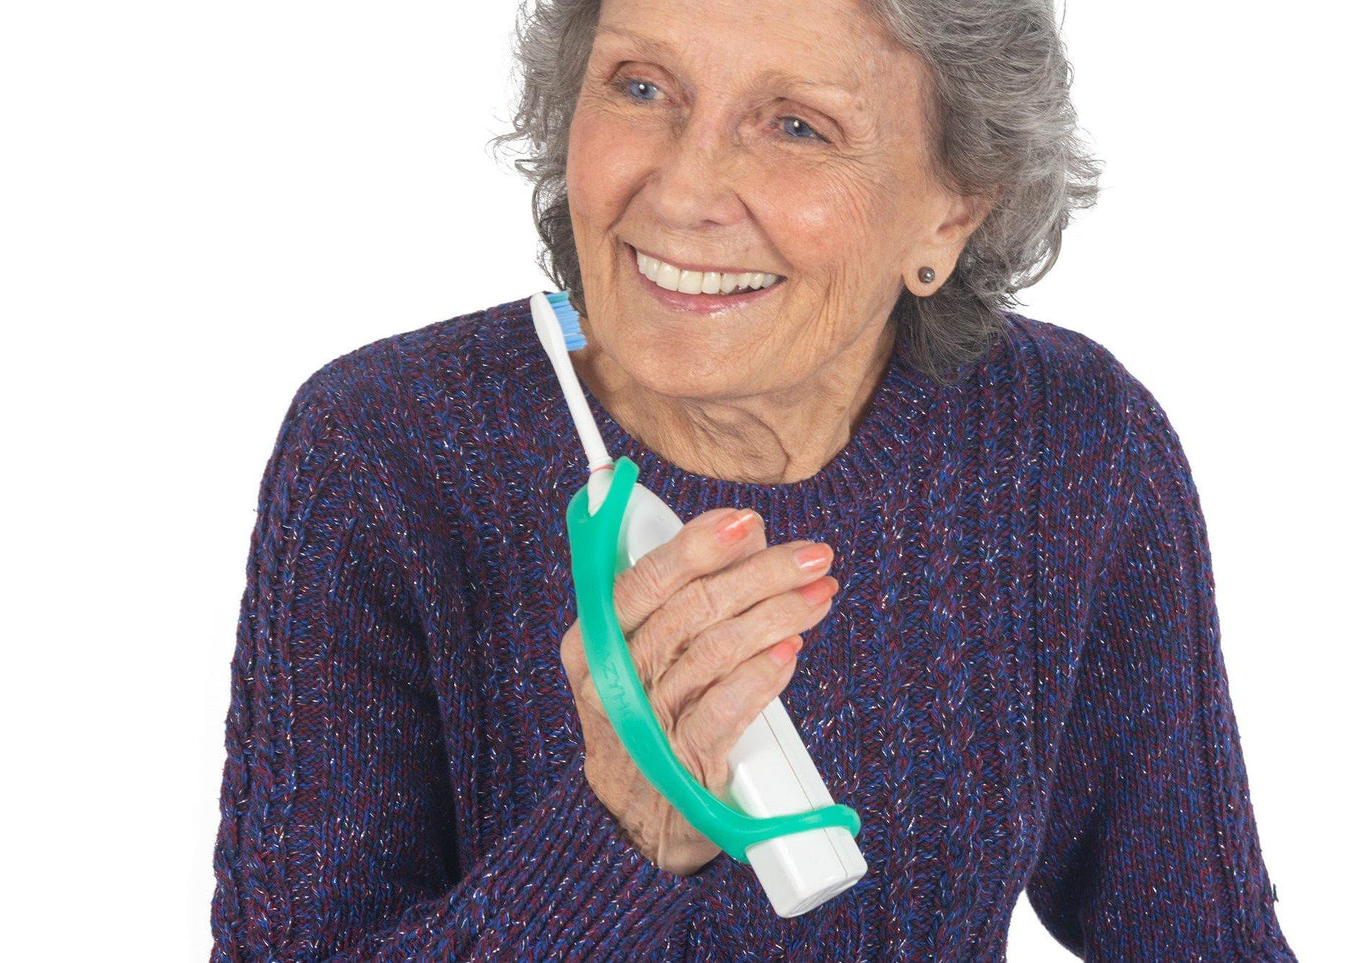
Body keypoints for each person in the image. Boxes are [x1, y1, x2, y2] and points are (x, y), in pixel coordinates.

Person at [209, 0, 1298, 958]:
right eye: (640, 87)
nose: (682, 192)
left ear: (950, 210)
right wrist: (623, 834)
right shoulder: (387, 450)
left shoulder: (1068, 449)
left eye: (795, 126)